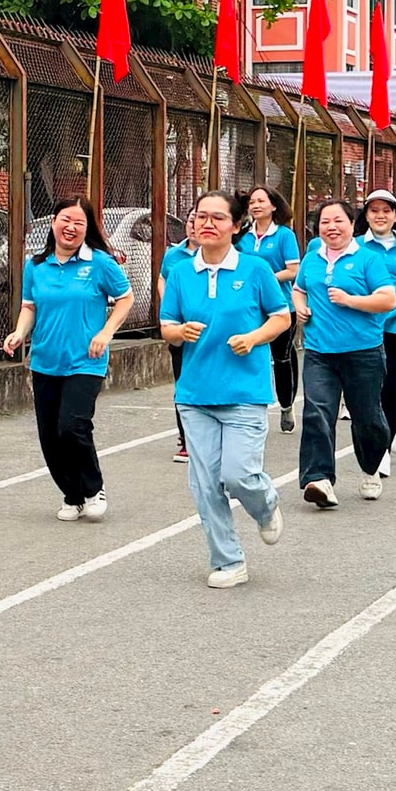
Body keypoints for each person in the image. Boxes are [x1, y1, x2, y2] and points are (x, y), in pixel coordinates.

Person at [161, 190, 294, 587]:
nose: (207, 224)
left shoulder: (255, 270)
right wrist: (179, 333)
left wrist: (253, 338)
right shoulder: (182, 271)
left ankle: (266, 504)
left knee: (238, 475)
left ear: (236, 227)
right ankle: (228, 561)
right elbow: (166, 325)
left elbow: (281, 317)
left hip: (244, 393)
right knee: (204, 484)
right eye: (201, 216)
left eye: (218, 218)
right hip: (195, 394)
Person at [3, 197, 135, 521]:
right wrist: (20, 333)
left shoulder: (100, 263)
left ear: (87, 228)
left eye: (79, 222)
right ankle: (72, 493)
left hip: (86, 360)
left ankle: (93, 487)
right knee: (49, 436)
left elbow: (125, 298)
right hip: (46, 359)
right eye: (65, 219)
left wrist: (105, 333)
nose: (70, 227)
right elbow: (29, 307)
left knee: (72, 426)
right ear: (53, 222)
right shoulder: (36, 265)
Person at [292, 198, 396, 508]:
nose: (331, 227)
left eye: (339, 221)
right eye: (325, 221)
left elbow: (388, 299)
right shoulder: (312, 258)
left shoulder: (367, 259)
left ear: (353, 225)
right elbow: (299, 288)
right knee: (317, 411)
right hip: (319, 351)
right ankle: (319, 479)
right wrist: (300, 308)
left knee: (367, 417)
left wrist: (351, 300)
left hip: (362, 352)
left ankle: (371, 467)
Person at [356, 190, 396, 456]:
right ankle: (377, 438)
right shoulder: (356, 246)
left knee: (391, 388)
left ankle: (382, 451)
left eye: (386, 211)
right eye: (374, 211)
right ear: (367, 215)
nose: (380, 216)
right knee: (370, 389)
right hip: (367, 325)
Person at [237, 186, 302, 435]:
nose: (255, 205)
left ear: (273, 206)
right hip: (250, 307)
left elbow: (292, 270)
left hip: (280, 305)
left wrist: (265, 279)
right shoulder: (243, 237)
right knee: (249, 352)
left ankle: (286, 405)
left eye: (261, 201)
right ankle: (249, 404)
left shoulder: (284, 236)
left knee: (281, 358)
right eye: (252, 202)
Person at [158, 209, 200, 462]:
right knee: (182, 382)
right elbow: (162, 279)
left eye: (202, 219)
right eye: (192, 220)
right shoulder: (173, 254)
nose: (196, 225)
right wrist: (168, 303)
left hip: (211, 331)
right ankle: (185, 439)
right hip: (180, 329)